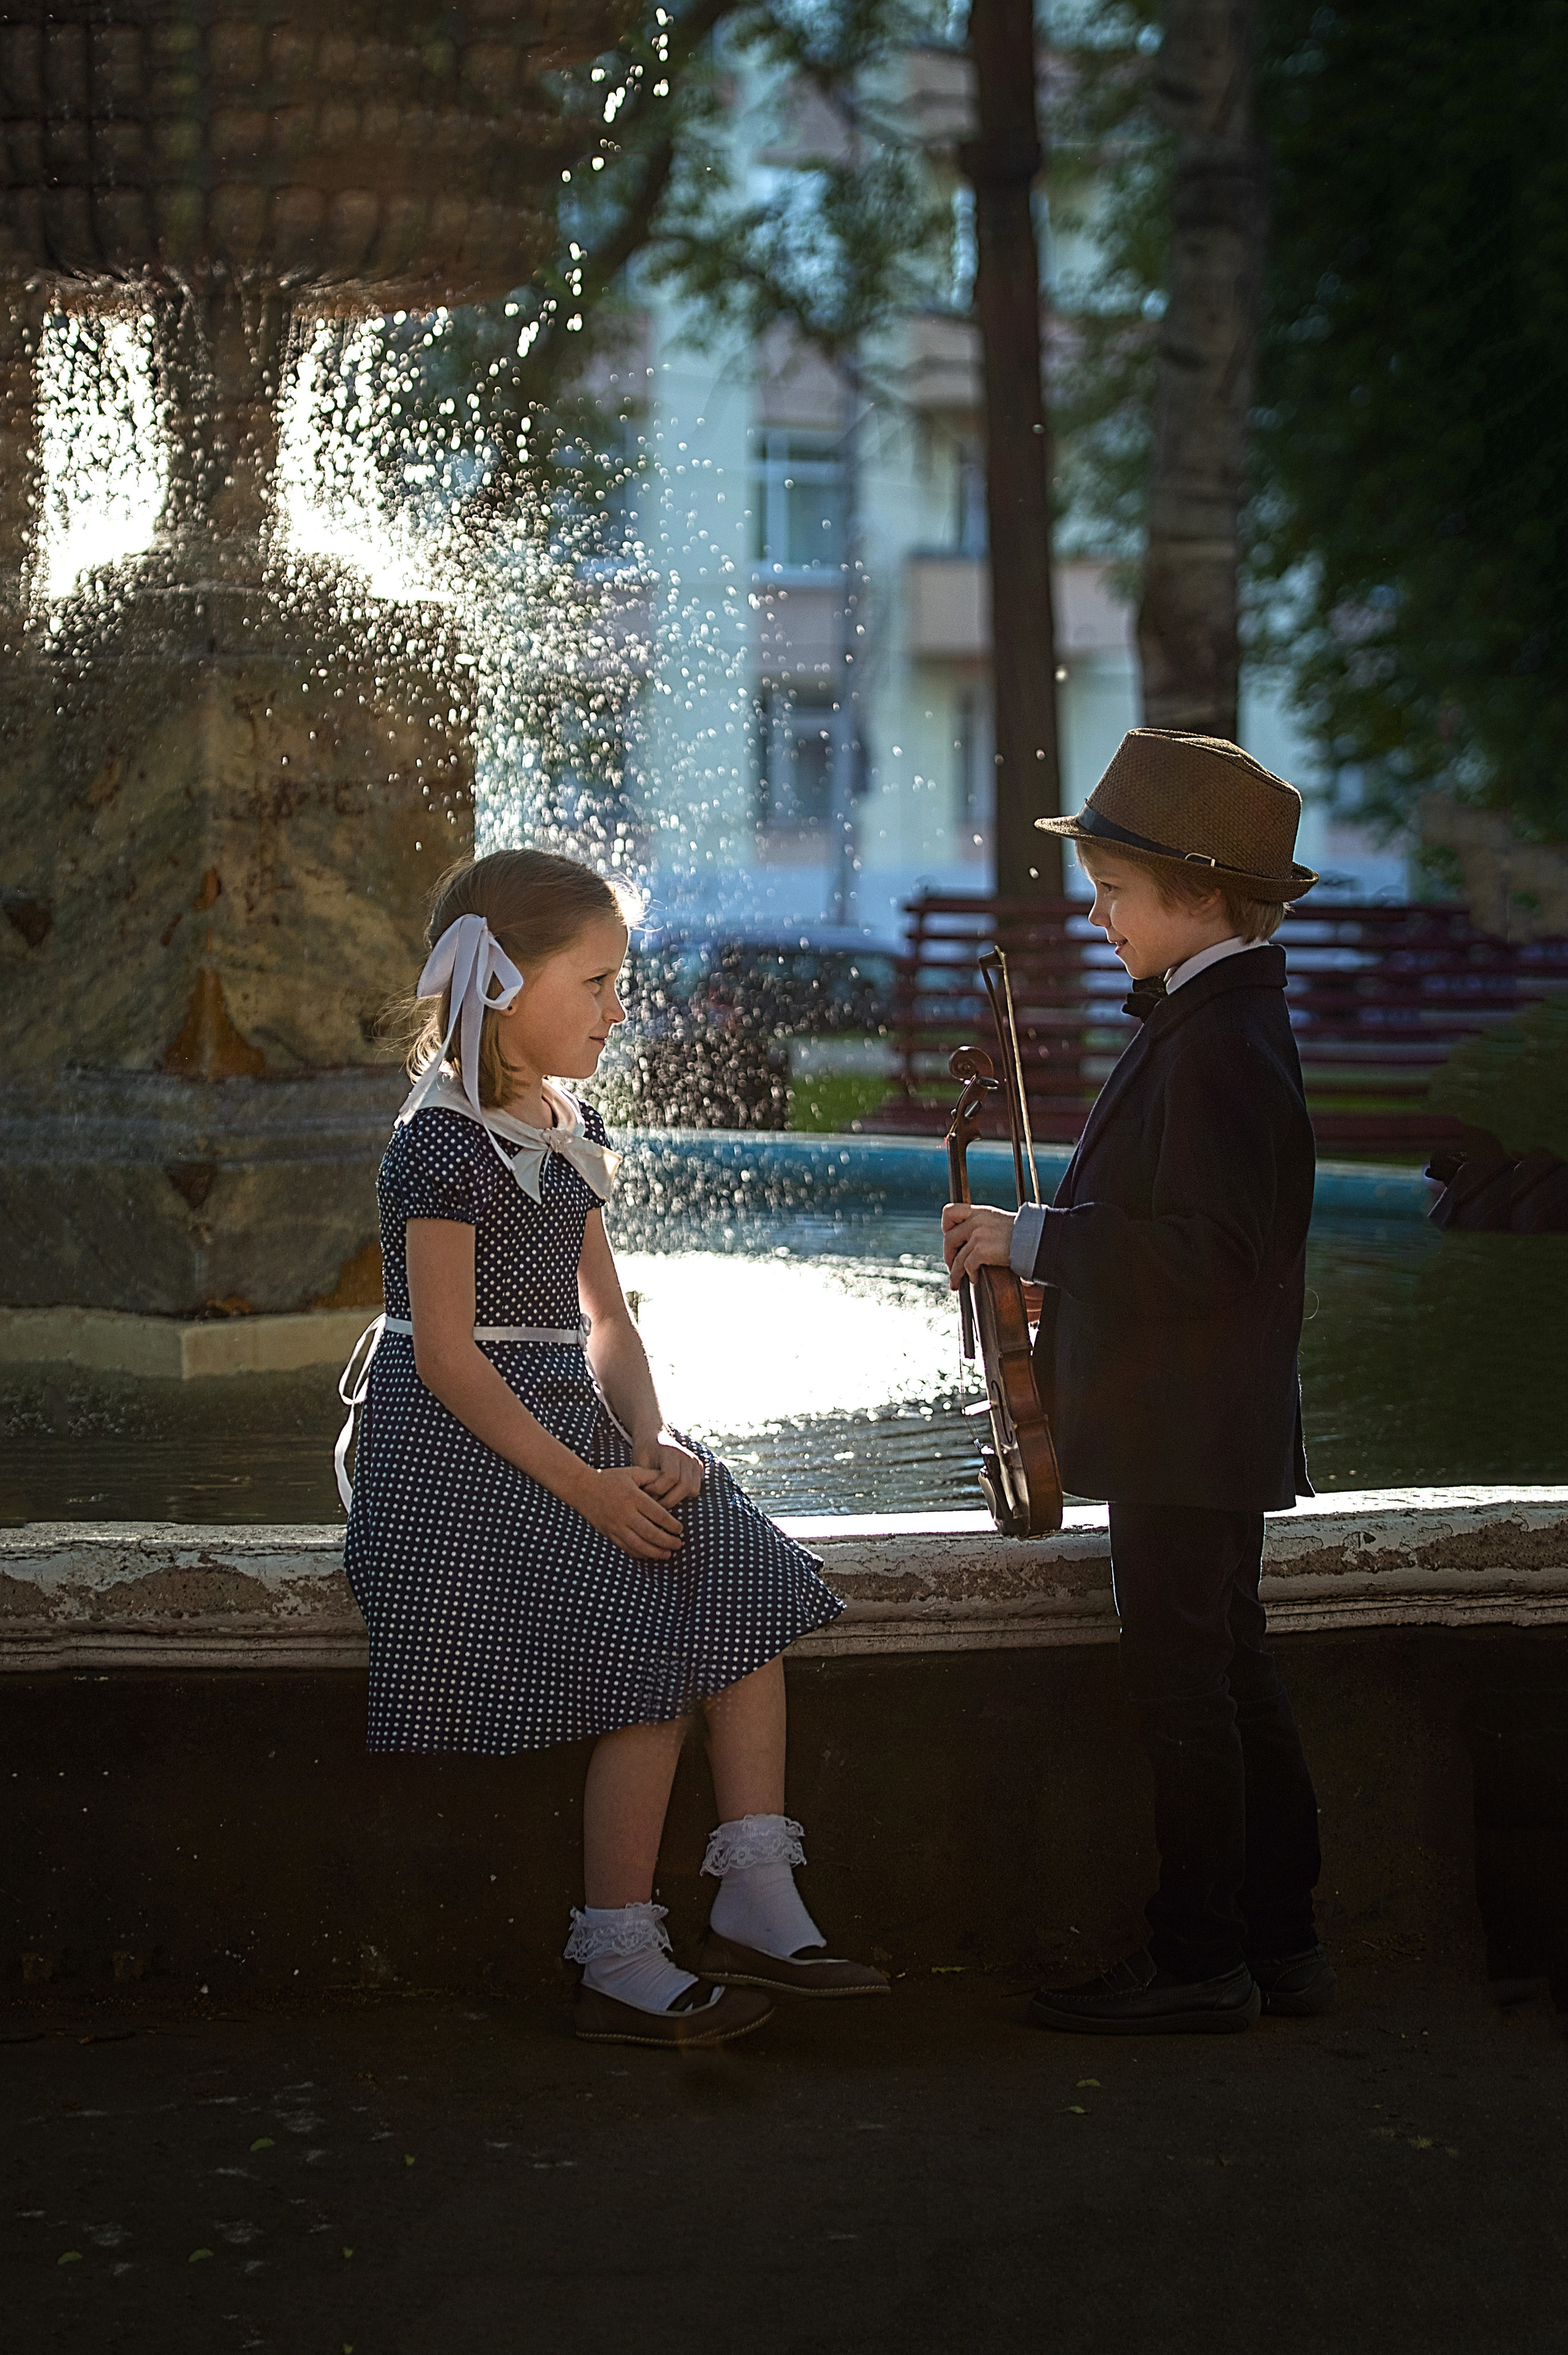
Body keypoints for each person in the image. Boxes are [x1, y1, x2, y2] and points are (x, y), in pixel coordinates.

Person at [339, 847, 888, 2049]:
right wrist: (586, 1485)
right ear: (503, 987)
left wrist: (652, 1435)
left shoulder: (564, 1119)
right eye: (592, 982)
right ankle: (619, 1948)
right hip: (457, 1448)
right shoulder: (436, 1145)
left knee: (737, 1567)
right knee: (644, 1631)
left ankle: (753, 1888)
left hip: (568, 1420)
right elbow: (444, 1358)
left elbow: (607, 1319)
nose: (615, 1007)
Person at [942, 729, 1334, 2034]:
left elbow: (1217, 1252)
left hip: (1182, 1430)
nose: (1096, 912)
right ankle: (1279, 1941)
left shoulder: (1219, 1039)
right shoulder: (1217, 1014)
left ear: (1202, 891)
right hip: (1200, 1421)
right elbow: (1185, 1234)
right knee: (1230, 1671)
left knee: (1189, 1694)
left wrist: (1034, 1238)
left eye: (1114, 888)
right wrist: (1079, 1273)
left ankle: (1198, 1959)